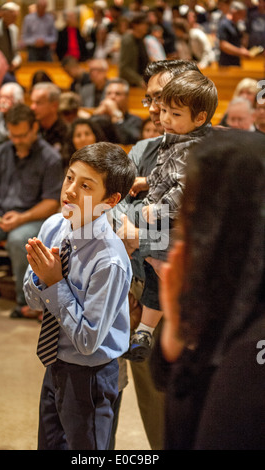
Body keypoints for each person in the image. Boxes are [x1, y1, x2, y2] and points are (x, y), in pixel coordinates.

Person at [150, 128, 265, 449]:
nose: (182, 234)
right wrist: (176, 331)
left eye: (192, 218)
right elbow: (172, 376)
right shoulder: (240, 294)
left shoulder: (252, 357)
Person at [112, 59, 203, 451]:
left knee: (184, 411)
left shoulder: (213, 148)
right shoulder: (145, 148)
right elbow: (112, 200)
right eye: (151, 100)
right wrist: (125, 229)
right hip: (134, 287)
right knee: (146, 397)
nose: (154, 109)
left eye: (164, 100)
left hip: (186, 295)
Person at [23, 142, 136, 450]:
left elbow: (88, 341)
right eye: (69, 177)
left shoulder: (108, 260)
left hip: (91, 376)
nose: (70, 190)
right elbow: (31, 299)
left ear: (110, 200)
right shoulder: (53, 226)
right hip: (54, 360)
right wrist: (44, 282)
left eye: (85, 185)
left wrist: (54, 283)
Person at [120, 70, 217, 361]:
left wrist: (156, 211)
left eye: (173, 113)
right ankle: (144, 331)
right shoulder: (166, 141)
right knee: (152, 272)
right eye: (162, 110)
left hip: (172, 224)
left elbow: (186, 187)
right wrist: (145, 182)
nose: (164, 120)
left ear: (199, 118)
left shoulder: (199, 146)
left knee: (159, 262)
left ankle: (148, 328)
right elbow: (165, 176)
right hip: (153, 224)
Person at [0, 104, 63, 318]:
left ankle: (26, 301)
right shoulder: (0, 151)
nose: (17, 140)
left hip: (33, 217)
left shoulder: (50, 158)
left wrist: (21, 218)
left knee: (19, 240)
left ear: (34, 128)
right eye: (13, 135)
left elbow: (50, 202)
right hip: (0, 215)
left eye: (22, 135)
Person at [93, 78, 143, 145]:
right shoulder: (99, 119)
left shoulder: (136, 121)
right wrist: (96, 114)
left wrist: (115, 113)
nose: (112, 97)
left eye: (118, 94)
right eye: (109, 93)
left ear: (126, 98)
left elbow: (127, 141)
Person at [30, 82, 69, 168]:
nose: (32, 107)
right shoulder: (30, 131)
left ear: (54, 106)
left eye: (38, 103)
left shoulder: (67, 132)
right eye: (32, 102)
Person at [0, 2, 22, 81]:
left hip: (12, 69)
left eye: (16, 16)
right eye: (13, 16)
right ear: (4, 15)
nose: (15, 18)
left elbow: (16, 51)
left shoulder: (14, 29)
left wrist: (16, 61)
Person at [119, 12, 150, 88]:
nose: (147, 26)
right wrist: (139, 80)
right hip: (131, 85)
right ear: (135, 25)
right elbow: (124, 67)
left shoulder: (141, 38)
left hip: (141, 83)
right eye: (144, 24)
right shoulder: (128, 40)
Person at [217, 1, 251, 66]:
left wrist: (243, 49)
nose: (243, 18)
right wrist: (240, 52)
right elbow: (223, 45)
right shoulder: (224, 24)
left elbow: (235, 42)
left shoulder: (236, 24)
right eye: (242, 14)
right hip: (226, 65)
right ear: (235, 12)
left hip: (235, 62)